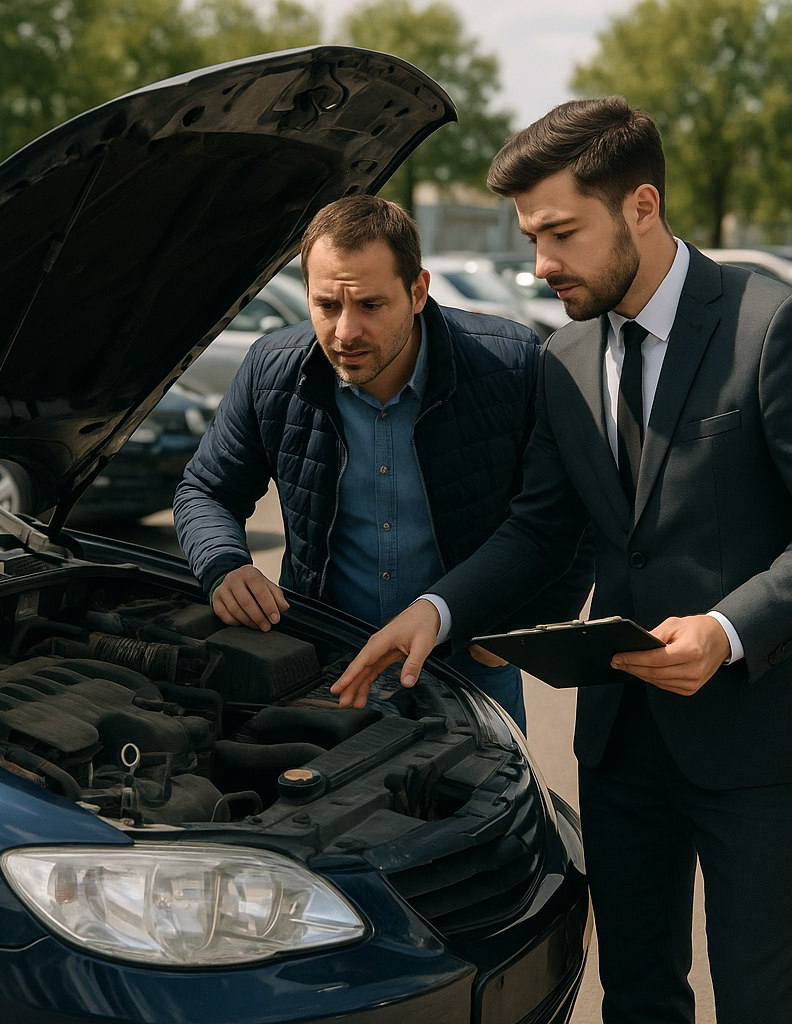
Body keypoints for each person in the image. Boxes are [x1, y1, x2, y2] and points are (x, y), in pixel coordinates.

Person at [331, 98, 792, 1024]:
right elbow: (540, 531)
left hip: (757, 747)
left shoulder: (769, 324)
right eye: (530, 236)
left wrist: (729, 630)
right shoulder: (564, 357)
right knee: (636, 998)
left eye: (561, 234)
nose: (540, 265)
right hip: (619, 747)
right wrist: (439, 610)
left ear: (642, 207)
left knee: (761, 1001)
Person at [174, 195, 592, 731]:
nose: (346, 331)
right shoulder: (270, 370)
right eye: (327, 305)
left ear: (418, 291)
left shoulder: (510, 364)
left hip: (472, 669)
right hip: (326, 667)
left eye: (370, 305)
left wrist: (523, 628)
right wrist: (223, 563)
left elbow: (568, 513)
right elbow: (206, 490)